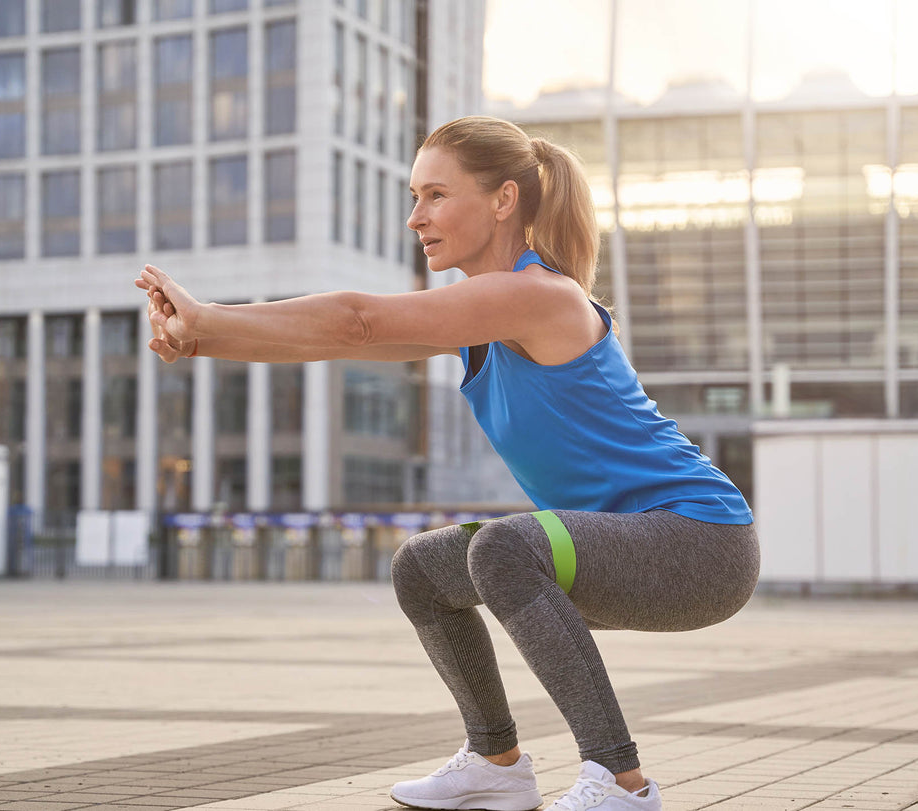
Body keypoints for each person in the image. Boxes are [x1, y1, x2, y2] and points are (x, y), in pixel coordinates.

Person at [136, 115, 759, 811]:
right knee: (426, 568)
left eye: (435, 195)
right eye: (414, 196)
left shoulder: (539, 294)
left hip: (703, 543)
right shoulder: (481, 324)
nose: (415, 217)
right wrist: (201, 340)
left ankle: (622, 781)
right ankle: (495, 763)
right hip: (632, 545)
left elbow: (357, 319)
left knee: (502, 548)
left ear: (503, 201)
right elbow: (338, 341)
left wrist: (209, 314)